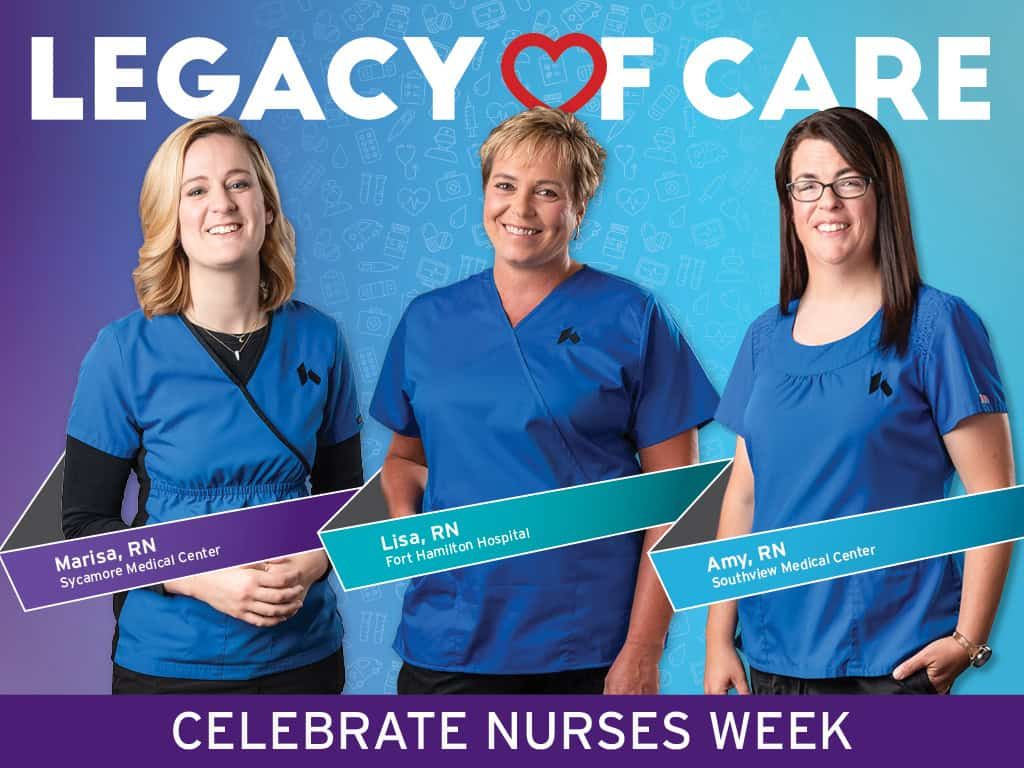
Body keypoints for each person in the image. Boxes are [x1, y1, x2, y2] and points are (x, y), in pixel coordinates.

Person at [370, 107, 719, 694]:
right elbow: (405, 458)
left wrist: (643, 649)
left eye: (548, 192)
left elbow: (677, 504)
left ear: (579, 209)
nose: (521, 209)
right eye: (505, 185)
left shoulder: (632, 317)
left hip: (585, 645)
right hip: (450, 633)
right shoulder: (428, 320)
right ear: (484, 194)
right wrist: (408, 528)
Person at [704, 107, 1014, 696]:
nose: (829, 202)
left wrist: (969, 639)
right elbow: (744, 494)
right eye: (808, 185)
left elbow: (993, 496)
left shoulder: (937, 326)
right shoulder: (764, 339)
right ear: (789, 202)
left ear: (883, 193)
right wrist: (719, 637)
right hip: (771, 661)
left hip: (893, 663)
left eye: (850, 182)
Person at [62, 116, 363, 694]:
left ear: (267, 207)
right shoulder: (123, 352)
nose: (221, 203)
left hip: (305, 661)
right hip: (169, 669)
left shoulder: (321, 340)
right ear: (170, 219)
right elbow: (84, 531)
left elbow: (344, 499)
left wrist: (315, 561)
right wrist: (197, 576)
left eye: (238, 183)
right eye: (195, 190)